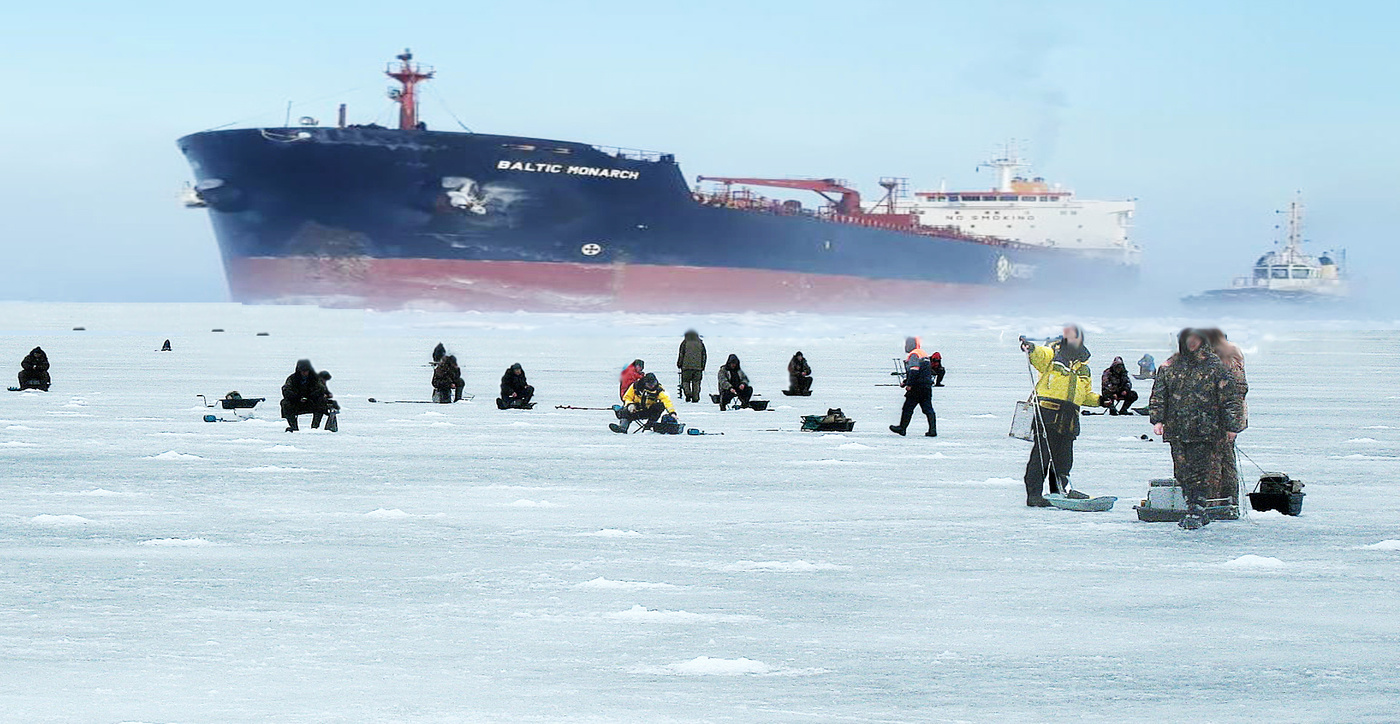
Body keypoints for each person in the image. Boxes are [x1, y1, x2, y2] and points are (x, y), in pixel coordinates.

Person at [1149, 329, 1246, 530]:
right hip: (1177, 429)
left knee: (1203, 472)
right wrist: (1157, 420)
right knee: (1182, 472)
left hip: (1207, 429)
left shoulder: (1216, 367)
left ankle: (1198, 509)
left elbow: (1229, 398)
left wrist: (1232, 426)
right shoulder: (1170, 366)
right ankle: (1192, 505)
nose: (1192, 343)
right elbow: (1159, 394)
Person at [1020, 325, 1100, 506]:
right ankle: (1034, 495)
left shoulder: (1084, 368)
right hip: (1047, 413)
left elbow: (1085, 395)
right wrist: (1031, 347)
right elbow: (1040, 355)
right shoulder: (1053, 355)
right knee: (1042, 455)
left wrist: (1102, 401)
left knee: (1064, 458)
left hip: (1069, 417)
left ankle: (1060, 491)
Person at [1203, 328, 1249, 509]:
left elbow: (1237, 393)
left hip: (1222, 421)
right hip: (1216, 420)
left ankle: (1220, 502)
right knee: (1219, 461)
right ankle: (1221, 501)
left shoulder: (1227, 362)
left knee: (1219, 462)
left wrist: (1232, 425)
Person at [889, 354, 937, 437]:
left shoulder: (914, 356)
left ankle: (902, 428)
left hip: (916, 388)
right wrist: (905, 381)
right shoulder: (924, 359)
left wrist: (909, 384)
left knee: (907, 408)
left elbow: (914, 372)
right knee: (928, 409)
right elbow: (921, 373)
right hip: (926, 387)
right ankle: (932, 430)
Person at [612, 373, 677, 432]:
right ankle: (622, 428)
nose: (652, 386)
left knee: (659, 406)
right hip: (635, 409)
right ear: (645, 383)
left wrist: (672, 412)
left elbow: (667, 401)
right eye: (649, 384)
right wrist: (630, 405)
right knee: (625, 411)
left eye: (653, 384)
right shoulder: (635, 386)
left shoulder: (659, 390)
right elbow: (627, 397)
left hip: (648, 411)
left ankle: (648, 427)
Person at [281, 359, 334, 432]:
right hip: (297, 402)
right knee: (285, 403)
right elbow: (286, 391)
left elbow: (321, 389)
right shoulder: (292, 379)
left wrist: (309, 397)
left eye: (306, 370)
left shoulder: (315, 379)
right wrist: (298, 398)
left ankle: (315, 427)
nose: (304, 372)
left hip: (311, 402)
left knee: (322, 401)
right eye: (302, 370)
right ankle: (294, 427)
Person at [676, 331, 707, 403]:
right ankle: (695, 397)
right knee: (696, 382)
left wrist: (679, 364)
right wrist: (703, 366)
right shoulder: (700, 343)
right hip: (698, 367)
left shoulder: (685, 343)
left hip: (686, 367)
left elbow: (681, 354)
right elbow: (704, 356)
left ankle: (688, 394)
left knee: (685, 382)